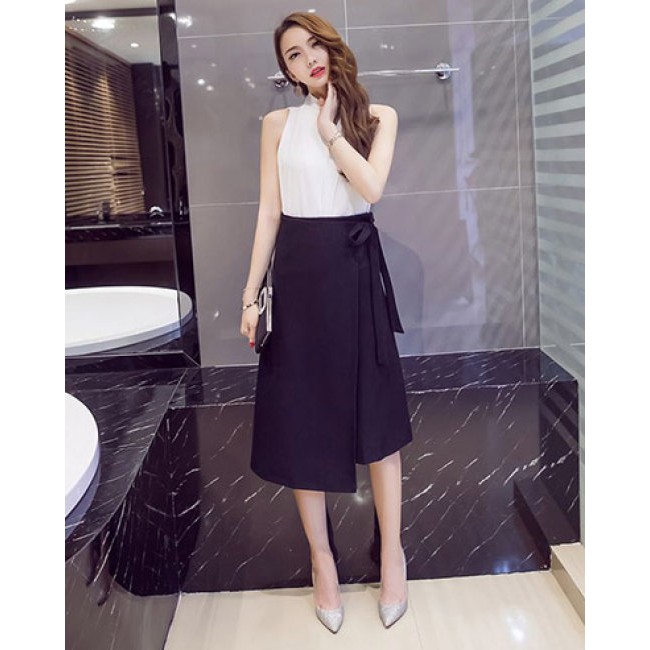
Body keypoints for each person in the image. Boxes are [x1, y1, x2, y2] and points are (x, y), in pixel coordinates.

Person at [240, 11, 413, 633]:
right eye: (293, 54)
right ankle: (322, 561)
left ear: (332, 47)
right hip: (298, 277)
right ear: (286, 71)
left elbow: (371, 189)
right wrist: (251, 294)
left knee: (379, 421)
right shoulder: (276, 125)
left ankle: (391, 555)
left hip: (355, 272)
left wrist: (331, 132)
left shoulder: (379, 117)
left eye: (314, 45)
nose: (308, 58)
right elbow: (269, 212)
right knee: (301, 420)